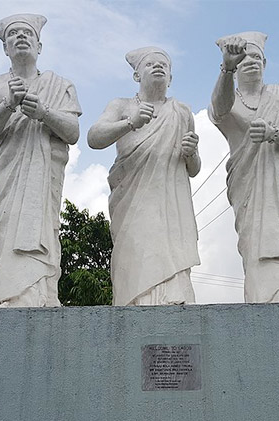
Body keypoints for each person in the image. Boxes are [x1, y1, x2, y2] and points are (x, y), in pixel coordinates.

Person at [0, 14, 81, 307]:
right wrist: (8, 104)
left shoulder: (60, 86)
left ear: (39, 46)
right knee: (9, 229)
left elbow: (72, 133)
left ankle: (44, 295)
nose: (21, 37)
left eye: (27, 33)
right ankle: (13, 295)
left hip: (45, 174)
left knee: (46, 227)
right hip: (10, 171)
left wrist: (44, 113)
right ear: (5, 48)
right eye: (13, 34)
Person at [88, 47, 201, 306]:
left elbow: (193, 169)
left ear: (170, 78)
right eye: (150, 64)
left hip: (172, 207)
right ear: (137, 75)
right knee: (136, 259)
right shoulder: (122, 106)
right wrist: (130, 123)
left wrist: (191, 153)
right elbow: (94, 137)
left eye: (164, 64)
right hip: (133, 203)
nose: (158, 67)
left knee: (174, 273)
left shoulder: (182, 112)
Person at [209, 32, 279, 303]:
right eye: (244, 59)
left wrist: (273, 133)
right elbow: (219, 110)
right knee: (254, 256)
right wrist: (226, 67)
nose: (251, 62)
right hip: (248, 194)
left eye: (256, 57)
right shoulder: (230, 102)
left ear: (265, 62)